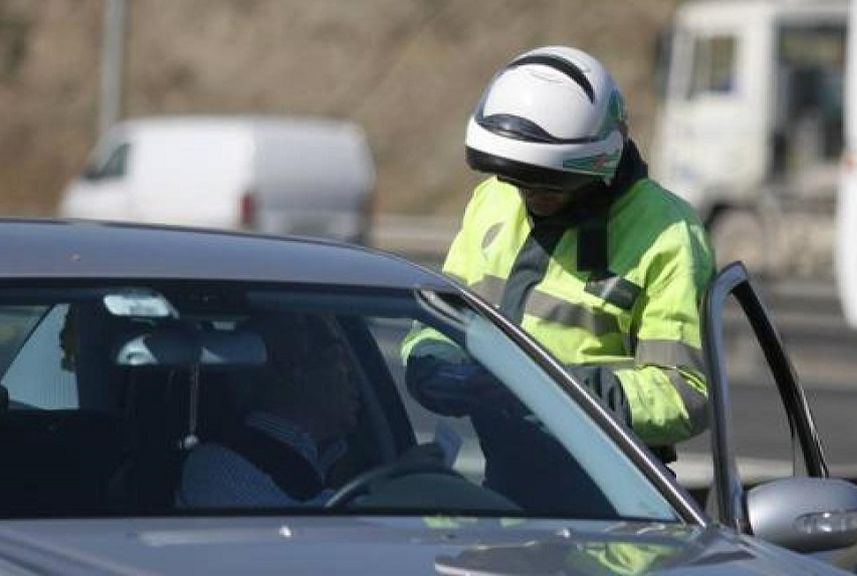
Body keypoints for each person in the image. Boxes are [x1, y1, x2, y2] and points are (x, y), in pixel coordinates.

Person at [403, 46, 715, 465]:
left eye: (549, 183)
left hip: (614, 489)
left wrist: (556, 392)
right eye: (515, 179)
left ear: (597, 164)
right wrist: (432, 366)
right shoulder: (492, 201)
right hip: (506, 472)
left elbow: (685, 393)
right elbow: (442, 318)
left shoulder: (669, 232)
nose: (530, 195)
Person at [177, 312, 366, 508]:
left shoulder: (338, 460)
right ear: (292, 367)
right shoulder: (215, 467)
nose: (352, 374)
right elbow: (292, 531)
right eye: (338, 357)